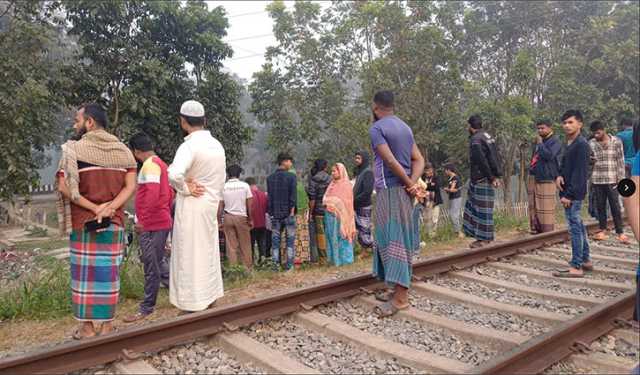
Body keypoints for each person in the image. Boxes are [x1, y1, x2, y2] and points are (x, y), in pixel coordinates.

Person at [56, 104, 137, 339]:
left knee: (83, 277)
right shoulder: (123, 152)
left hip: (84, 223)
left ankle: (87, 327)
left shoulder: (73, 151)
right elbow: (130, 186)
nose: (75, 124)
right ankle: (108, 325)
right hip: (114, 223)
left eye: (77, 120)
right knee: (108, 275)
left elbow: (64, 186)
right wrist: (110, 208)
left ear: (89, 122)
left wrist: (95, 208)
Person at [368, 90, 425, 317]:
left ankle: (401, 299)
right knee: (395, 237)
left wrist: (406, 183)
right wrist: (411, 183)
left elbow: (389, 160)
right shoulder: (405, 127)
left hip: (391, 191)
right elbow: (419, 159)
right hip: (403, 190)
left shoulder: (377, 129)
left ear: (375, 107)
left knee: (395, 240)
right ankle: (394, 288)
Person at [168, 100, 226, 312]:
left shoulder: (189, 146)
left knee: (189, 253)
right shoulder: (217, 146)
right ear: (204, 120)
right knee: (208, 250)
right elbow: (221, 179)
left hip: (192, 204)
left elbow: (174, 174)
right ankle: (210, 295)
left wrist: (185, 188)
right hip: (210, 204)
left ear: (183, 122)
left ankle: (192, 301)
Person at [124, 133, 174, 323]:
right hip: (159, 221)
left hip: (151, 224)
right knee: (157, 262)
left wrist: (142, 221)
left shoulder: (149, 166)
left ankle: (146, 308)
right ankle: (180, 293)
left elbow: (152, 195)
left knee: (151, 265)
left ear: (136, 151)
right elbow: (168, 194)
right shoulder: (161, 164)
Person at [553, 110, 592, 278]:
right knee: (578, 225)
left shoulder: (582, 144)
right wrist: (560, 175)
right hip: (570, 190)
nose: (567, 126)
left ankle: (576, 266)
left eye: (570, 122)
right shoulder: (570, 142)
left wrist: (568, 194)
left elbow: (580, 173)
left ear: (580, 124)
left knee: (574, 227)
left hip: (573, 193)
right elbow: (566, 165)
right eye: (565, 123)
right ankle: (585, 259)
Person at [463, 115, 502, 248]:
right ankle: (483, 237)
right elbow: (495, 156)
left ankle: (483, 239)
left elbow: (482, 161)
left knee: (481, 209)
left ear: (470, 126)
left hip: (482, 178)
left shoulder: (475, 140)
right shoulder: (487, 136)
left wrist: (491, 178)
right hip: (489, 176)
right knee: (484, 208)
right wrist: (496, 175)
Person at [589, 121, 629, 243]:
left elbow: (620, 161)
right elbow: (587, 162)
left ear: (604, 130)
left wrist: (621, 179)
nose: (596, 135)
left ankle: (620, 232)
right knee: (600, 206)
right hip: (597, 179)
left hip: (612, 179)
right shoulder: (591, 144)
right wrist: (590, 161)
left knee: (615, 206)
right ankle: (602, 229)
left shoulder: (616, 141)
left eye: (598, 132)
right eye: (594, 133)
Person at [527, 119, 562, 234]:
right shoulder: (539, 141)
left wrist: (540, 144)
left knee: (545, 207)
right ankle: (536, 229)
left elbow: (549, 156)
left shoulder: (555, 141)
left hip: (547, 177)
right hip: (534, 176)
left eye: (542, 128)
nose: (540, 130)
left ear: (550, 128)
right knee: (534, 205)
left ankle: (547, 232)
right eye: (538, 128)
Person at [219, 165, 253, 270]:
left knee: (231, 246)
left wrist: (219, 220)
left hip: (228, 217)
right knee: (245, 244)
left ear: (228, 174)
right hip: (241, 217)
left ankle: (233, 270)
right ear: (239, 174)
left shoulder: (223, 187)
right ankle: (247, 269)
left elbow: (220, 206)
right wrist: (250, 219)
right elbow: (249, 205)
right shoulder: (245, 186)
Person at [267, 153, 297, 271]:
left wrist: (271, 213)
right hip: (288, 214)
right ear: (284, 162)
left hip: (275, 214)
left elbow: (270, 198)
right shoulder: (291, 177)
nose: (291, 164)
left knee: (275, 242)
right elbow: (293, 197)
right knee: (289, 242)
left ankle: (275, 266)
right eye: (290, 161)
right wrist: (292, 212)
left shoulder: (270, 178)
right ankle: (289, 266)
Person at [323, 163, 356, 266]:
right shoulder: (331, 184)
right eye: (331, 171)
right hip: (330, 216)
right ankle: (334, 260)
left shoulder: (346, 185)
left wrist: (337, 206)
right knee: (331, 237)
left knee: (343, 236)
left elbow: (347, 202)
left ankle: (345, 260)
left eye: (334, 171)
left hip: (342, 217)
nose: (332, 173)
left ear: (340, 171)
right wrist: (331, 203)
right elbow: (325, 199)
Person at [307, 159, 331, 263]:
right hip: (330, 210)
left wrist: (311, 213)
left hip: (318, 211)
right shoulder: (331, 179)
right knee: (330, 233)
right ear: (325, 167)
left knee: (320, 235)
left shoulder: (313, 180)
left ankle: (323, 259)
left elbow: (312, 199)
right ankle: (331, 256)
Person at [352, 151, 375, 250]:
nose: (356, 160)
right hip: (357, 205)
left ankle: (370, 249)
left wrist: (355, 200)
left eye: (358, 158)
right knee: (360, 229)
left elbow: (367, 192)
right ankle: (364, 250)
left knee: (365, 229)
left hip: (364, 205)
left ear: (364, 159)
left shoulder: (368, 172)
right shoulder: (360, 172)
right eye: (356, 158)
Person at [246, 177, 269, 263]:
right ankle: (262, 258)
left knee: (251, 243)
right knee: (262, 242)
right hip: (262, 223)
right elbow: (267, 209)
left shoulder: (248, 195)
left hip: (251, 224)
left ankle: (252, 261)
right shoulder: (263, 194)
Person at [422, 162, 443, 237]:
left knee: (434, 218)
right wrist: (430, 185)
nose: (429, 172)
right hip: (425, 201)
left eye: (431, 170)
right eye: (427, 170)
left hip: (435, 201)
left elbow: (436, 187)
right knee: (426, 218)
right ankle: (427, 233)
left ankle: (433, 234)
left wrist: (426, 186)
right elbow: (421, 187)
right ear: (425, 171)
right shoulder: (422, 178)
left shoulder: (436, 177)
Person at [443, 163, 464, 238]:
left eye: (445, 170)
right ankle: (457, 232)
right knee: (454, 215)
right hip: (452, 198)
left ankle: (459, 232)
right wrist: (448, 190)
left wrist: (446, 189)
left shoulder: (455, 178)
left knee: (453, 215)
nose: (445, 172)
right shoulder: (451, 179)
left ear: (448, 170)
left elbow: (452, 189)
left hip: (456, 198)